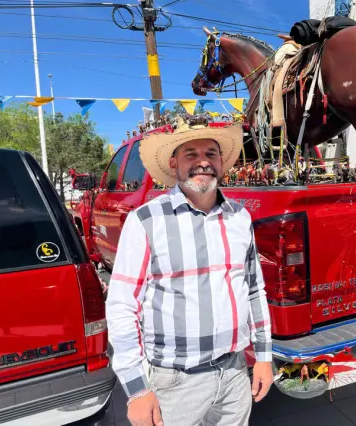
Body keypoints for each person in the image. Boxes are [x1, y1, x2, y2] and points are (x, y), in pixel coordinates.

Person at [106, 117, 273, 426]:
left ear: (221, 162)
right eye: (191, 154)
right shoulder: (146, 220)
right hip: (175, 382)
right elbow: (122, 305)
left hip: (235, 373)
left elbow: (254, 290)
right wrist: (137, 388)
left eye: (211, 153)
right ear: (174, 163)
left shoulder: (239, 217)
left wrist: (263, 356)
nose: (203, 162)